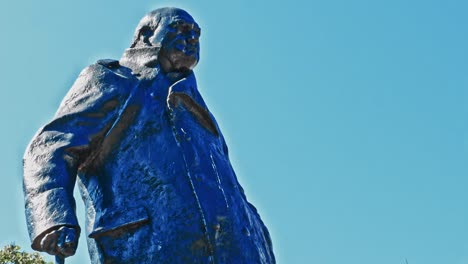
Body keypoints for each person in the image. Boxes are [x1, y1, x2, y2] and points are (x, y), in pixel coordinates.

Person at [23, 7, 275, 264]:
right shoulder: (115, 79)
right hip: (148, 246)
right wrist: (53, 217)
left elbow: (233, 189)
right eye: (181, 28)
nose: (192, 38)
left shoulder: (199, 111)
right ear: (145, 35)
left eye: (196, 34)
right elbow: (50, 148)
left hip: (236, 251)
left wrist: (259, 239)